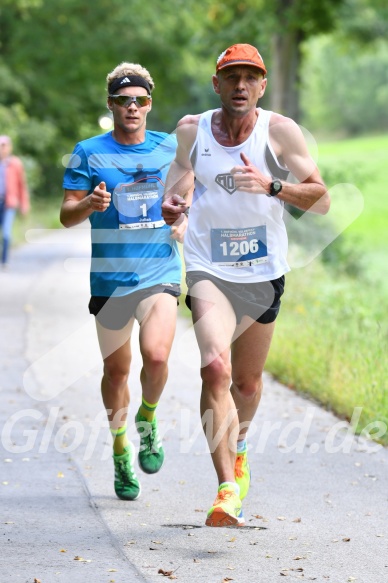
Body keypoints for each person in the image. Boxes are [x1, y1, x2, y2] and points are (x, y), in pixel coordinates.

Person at [162, 43, 330, 527]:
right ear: (217, 85)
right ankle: (226, 489)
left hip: (262, 270)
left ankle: (240, 449)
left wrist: (274, 186)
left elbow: (320, 199)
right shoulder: (192, 130)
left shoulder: (279, 132)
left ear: (261, 85)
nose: (240, 86)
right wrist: (174, 205)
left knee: (247, 383)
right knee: (215, 368)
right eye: (231, 77)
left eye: (249, 78)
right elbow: (177, 183)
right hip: (208, 267)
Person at [61, 62, 188, 501]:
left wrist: (183, 217)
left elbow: (189, 193)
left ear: (150, 104)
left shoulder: (169, 148)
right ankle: (120, 450)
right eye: (122, 100)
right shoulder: (88, 152)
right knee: (116, 371)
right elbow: (65, 214)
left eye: (140, 100)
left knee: (155, 356)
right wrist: (90, 204)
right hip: (111, 278)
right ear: (110, 103)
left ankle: (147, 419)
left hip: (159, 271)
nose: (132, 107)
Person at [0, 135, 30, 269]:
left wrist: (24, 204)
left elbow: (22, 185)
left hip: (9, 203)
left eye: (3, 146)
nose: (1, 149)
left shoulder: (15, 164)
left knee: (6, 233)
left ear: (9, 147)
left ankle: (4, 260)